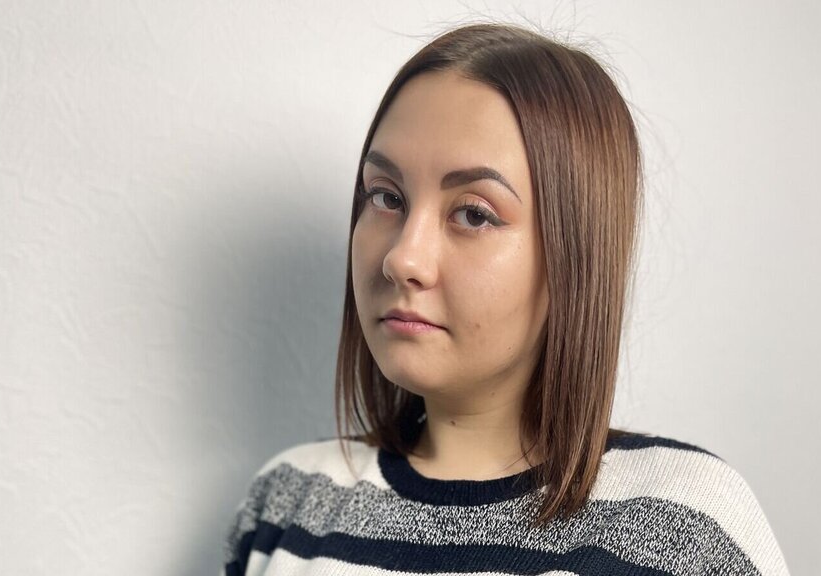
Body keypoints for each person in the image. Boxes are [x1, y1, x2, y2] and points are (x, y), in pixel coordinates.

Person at [222, 22, 790, 576]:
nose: (402, 259)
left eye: (474, 214)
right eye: (386, 197)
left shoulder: (682, 531)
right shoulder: (286, 503)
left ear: (575, 253)